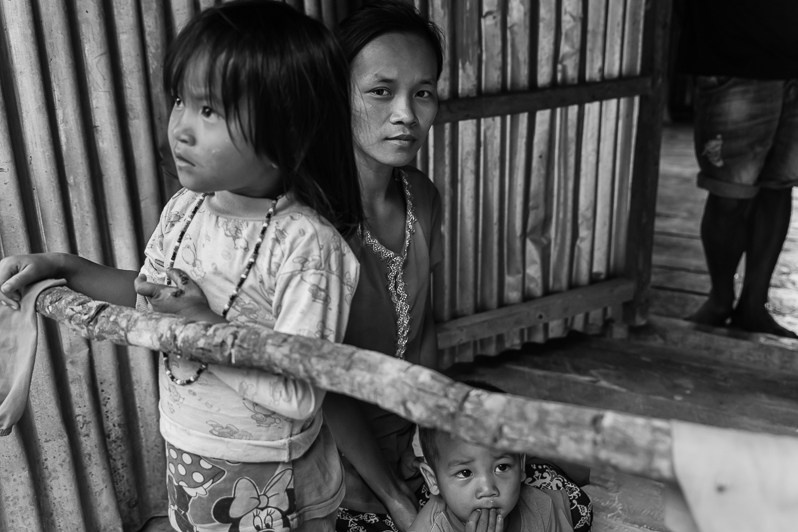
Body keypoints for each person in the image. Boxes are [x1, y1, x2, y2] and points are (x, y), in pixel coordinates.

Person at [0, 2, 363, 531]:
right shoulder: (187, 208)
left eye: (209, 110)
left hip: (267, 468)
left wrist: (204, 327)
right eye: (180, 102)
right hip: (189, 445)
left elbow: (299, 394)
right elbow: (153, 300)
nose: (181, 128)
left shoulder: (307, 248)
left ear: (289, 128)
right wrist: (67, 267)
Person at [323, 3, 591, 532]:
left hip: (413, 435)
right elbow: (325, 387)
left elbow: (423, 335)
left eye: (423, 92)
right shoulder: (313, 224)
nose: (406, 113)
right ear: (338, 95)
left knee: (557, 497)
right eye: (381, 91)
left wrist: (432, 443)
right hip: (340, 451)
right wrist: (398, 499)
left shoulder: (420, 196)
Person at [678, 0, 798, 338]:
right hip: (735, 52)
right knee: (729, 193)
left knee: (779, 186)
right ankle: (719, 299)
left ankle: (754, 305)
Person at [410, 425, 574, 532]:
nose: (488, 489)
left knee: (579, 505)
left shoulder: (541, 508)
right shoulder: (430, 529)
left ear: (521, 464)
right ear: (433, 480)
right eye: (465, 473)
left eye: (502, 467)